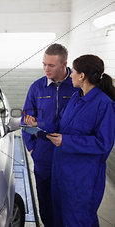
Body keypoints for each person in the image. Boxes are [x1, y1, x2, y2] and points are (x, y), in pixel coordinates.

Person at [47, 54, 115, 227]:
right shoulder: (76, 98)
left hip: (82, 177)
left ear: (82, 76)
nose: (71, 75)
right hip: (61, 170)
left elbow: (103, 143)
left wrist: (66, 142)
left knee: (78, 219)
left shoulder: (104, 104)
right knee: (59, 216)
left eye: (73, 72)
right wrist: (37, 124)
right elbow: (62, 125)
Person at [22, 43, 79, 226]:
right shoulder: (36, 87)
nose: (46, 69)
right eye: (44, 64)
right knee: (45, 200)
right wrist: (32, 148)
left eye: (51, 65)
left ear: (64, 64)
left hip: (70, 153)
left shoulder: (76, 85)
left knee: (68, 200)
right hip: (44, 155)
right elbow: (26, 121)